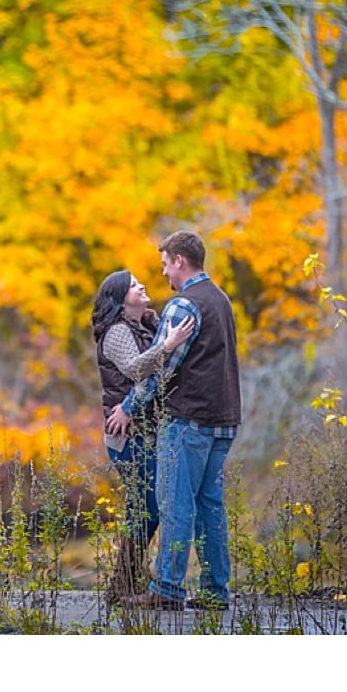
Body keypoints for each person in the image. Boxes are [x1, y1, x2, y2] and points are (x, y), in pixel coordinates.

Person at [114, 230, 241, 611]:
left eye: (165, 264)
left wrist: (127, 408)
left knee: (175, 504)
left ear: (179, 261)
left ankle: (167, 589)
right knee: (210, 507)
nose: (165, 274)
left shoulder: (182, 306)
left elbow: (159, 372)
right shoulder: (220, 300)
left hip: (188, 420)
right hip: (225, 419)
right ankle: (216, 591)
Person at [91, 269, 194, 607]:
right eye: (134, 285)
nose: (142, 285)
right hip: (127, 435)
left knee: (144, 506)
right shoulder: (117, 331)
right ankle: (125, 583)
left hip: (145, 431)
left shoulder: (146, 324)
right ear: (121, 299)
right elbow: (136, 369)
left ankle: (125, 585)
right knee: (147, 505)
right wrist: (168, 345)